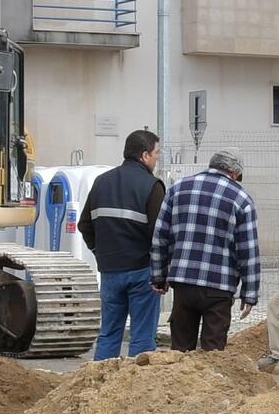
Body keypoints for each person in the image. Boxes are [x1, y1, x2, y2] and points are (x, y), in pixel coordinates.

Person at [150, 149, 262, 351]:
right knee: (214, 352)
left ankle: (180, 381)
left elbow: (160, 237)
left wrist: (159, 276)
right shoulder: (241, 199)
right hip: (219, 287)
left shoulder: (178, 189)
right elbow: (248, 251)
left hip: (183, 283)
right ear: (235, 173)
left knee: (181, 350)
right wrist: (250, 293)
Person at [82, 129, 166, 360]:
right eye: (156, 153)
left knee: (109, 334)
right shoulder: (152, 185)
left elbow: (84, 225)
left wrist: (100, 252)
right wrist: (162, 272)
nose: (158, 158)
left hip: (110, 270)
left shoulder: (101, 182)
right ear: (144, 155)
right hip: (142, 271)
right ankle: (138, 390)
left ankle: (100, 385)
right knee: (142, 336)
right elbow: (158, 234)